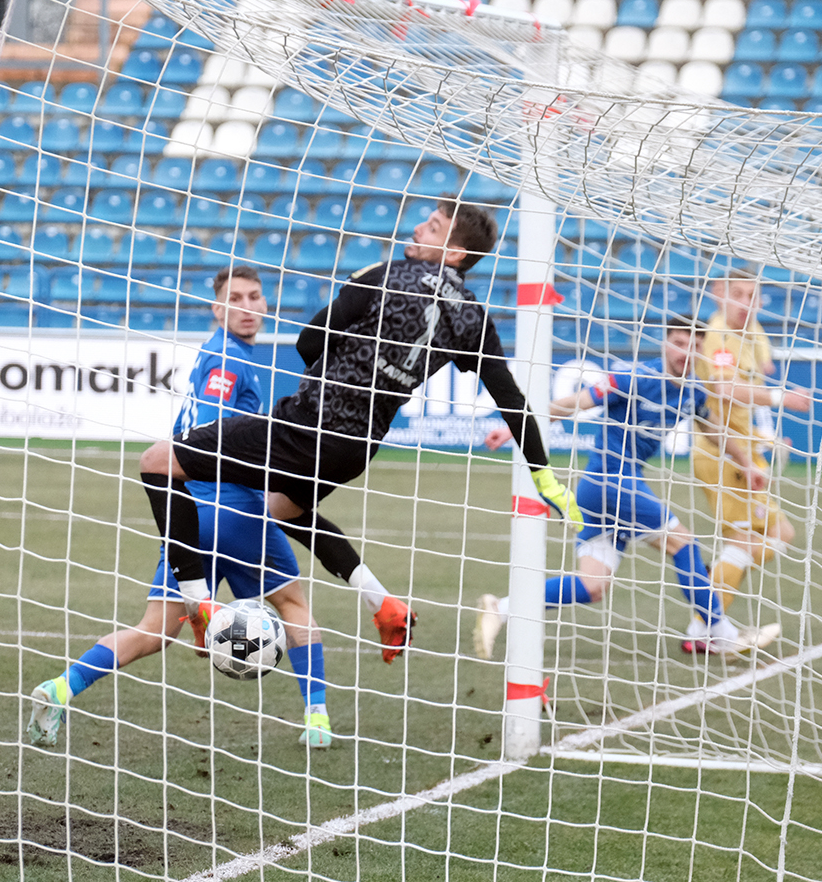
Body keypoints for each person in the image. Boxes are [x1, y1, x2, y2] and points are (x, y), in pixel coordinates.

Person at [136, 198, 581, 655]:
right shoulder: (474, 318)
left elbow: (310, 339)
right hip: (356, 450)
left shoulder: (387, 273)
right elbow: (511, 399)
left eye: (431, 227)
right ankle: (385, 605)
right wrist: (543, 475)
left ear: (454, 254)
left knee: (156, 462)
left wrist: (335, 378)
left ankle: (199, 604)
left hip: (306, 426)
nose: (416, 230)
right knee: (281, 510)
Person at [28, 266, 351, 748]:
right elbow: (218, 438)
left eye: (255, 296)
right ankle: (318, 720)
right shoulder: (228, 358)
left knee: (155, 632)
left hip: (188, 515)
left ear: (265, 305)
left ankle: (61, 687)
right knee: (291, 604)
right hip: (234, 508)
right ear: (218, 309)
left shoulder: (215, 353)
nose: (246, 306)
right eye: (234, 298)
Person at [474, 317, 809, 662]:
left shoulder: (692, 390)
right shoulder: (633, 377)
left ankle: (501, 608)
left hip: (608, 491)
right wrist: (516, 428)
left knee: (592, 586)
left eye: (694, 346)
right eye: (679, 343)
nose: (686, 352)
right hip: (609, 479)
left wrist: (746, 463)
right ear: (665, 344)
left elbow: (713, 430)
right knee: (684, 542)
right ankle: (719, 634)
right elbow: (573, 404)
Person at [684, 274, 812, 653]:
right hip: (721, 452)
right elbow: (723, 389)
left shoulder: (753, 330)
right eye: (736, 294)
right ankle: (703, 631)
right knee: (748, 538)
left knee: (780, 534)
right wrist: (780, 399)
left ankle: (717, 580)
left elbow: (762, 370)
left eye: (752, 295)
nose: (744, 302)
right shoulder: (718, 333)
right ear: (718, 294)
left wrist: (765, 437)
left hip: (746, 448)